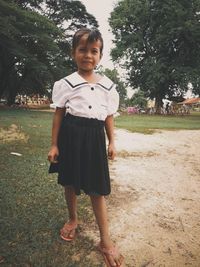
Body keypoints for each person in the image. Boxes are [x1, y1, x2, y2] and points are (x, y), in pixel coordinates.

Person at [48, 28, 124, 267]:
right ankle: (73, 219)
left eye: (94, 51)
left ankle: (105, 240)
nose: (88, 55)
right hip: (70, 135)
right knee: (69, 181)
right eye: (82, 50)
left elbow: (109, 116)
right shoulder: (65, 83)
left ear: (100, 56)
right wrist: (54, 144)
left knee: (96, 189)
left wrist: (111, 141)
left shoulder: (108, 87)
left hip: (93, 138)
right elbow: (59, 114)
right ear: (74, 53)